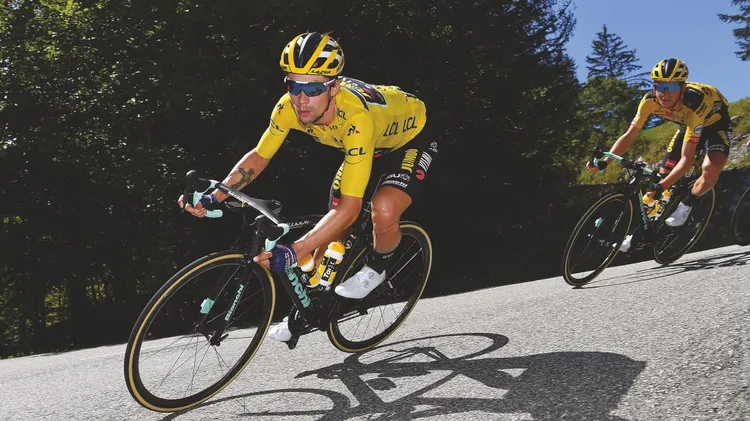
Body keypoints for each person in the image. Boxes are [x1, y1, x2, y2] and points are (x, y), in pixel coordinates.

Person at [177, 32, 438, 341]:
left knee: (382, 208)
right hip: (362, 149)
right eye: (293, 86)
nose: (301, 99)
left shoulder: (356, 119)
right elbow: (260, 156)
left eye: (313, 89)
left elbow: (351, 208)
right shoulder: (287, 108)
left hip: (409, 141)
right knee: (326, 236)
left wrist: (294, 250)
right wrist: (215, 196)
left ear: (334, 88)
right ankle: (309, 310)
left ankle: (376, 268)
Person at [587, 58, 731, 252]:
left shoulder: (694, 103)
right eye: (660, 86)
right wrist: (605, 162)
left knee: (711, 167)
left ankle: (688, 203)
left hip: (714, 125)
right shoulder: (649, 101)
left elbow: (687, 160)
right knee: (662, 181)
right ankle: (639, 234)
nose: (665, 93)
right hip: (688, 127)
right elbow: (629, 135)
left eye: (672, 87)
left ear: (682, 87)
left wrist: (662, 186)